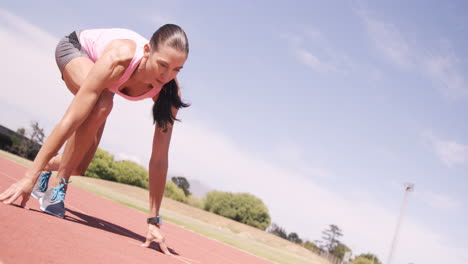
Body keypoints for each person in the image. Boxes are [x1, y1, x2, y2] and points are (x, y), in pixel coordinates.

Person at [0, 24, 190, 255]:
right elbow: (71, 119)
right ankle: (58, 187)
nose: (167, 76)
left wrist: (153, 220)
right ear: (148, 50)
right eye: (163, 65)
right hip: (76, 50)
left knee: (79, 166)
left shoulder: (169, 94)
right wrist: (27, 176)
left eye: (176, 70)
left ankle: (49, 170)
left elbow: (159, 160)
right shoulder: (120, 57)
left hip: (104, 83)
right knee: (101, 104)